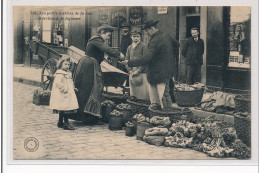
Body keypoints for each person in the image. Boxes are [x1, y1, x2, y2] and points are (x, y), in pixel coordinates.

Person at [121, 20, 177, 110]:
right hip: (167, 70)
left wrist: (129, 62)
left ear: (152, 28)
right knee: (166, 93)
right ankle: (168, 114)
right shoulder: (166, 35)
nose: (147, 33)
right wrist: (168, 58)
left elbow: (147, 58)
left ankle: (165, 114)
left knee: (161, 95)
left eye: (147, 31)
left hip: (159, 72)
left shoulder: (155, 40)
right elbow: (176, 45)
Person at [73, 25, 125, 122]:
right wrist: (118, 54)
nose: (108, 38)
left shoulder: (96, 40)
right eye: (108, 35)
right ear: (102, 32)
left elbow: (97, 51)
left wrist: (104, 58)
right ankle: (85, 116)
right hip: (89, 67)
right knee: (90, 89)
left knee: (91, 89)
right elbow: (105, 48)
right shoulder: (97, 40)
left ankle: (88, 115)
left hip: (89, 65)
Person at [49, 55, 79, 130]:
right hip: (63, 93)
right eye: (65, 64)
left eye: (68, 64)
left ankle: (60, 122)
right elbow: (58, 83)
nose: (67, 66)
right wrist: (64, 89)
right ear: (61, 64)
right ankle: (66, 123)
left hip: (67, 93)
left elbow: (70, 82)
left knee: (63, 107)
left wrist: (73, 88)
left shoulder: (68, 73)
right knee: (65, 108)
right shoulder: (60, 73)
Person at [125, 27, 149, 101]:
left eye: (137, 36)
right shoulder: (129, 47)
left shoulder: (144, 46)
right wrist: (130, 71)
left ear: (140, 37)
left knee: (142, 94)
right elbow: (126, 60)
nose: (136, 38)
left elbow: (145, 60)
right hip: (132, 72)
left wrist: (138, 71)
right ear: (131, 37)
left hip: (142, 72)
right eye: (134, 36)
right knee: (134, 93)